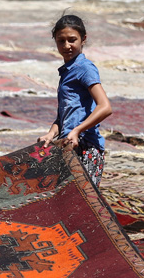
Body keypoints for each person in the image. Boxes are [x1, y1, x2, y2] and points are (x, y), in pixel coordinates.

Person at [38, 14, 113, 186]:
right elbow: (62, 117)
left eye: (72, 40)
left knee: (81, 203)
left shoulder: (84, 68)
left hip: (85, 147)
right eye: (61, 41)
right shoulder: (66, 72)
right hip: (67, 144)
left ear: (83, 39)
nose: (66, 46)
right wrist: (51, 134)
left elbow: (105, 106)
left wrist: (77, 130)